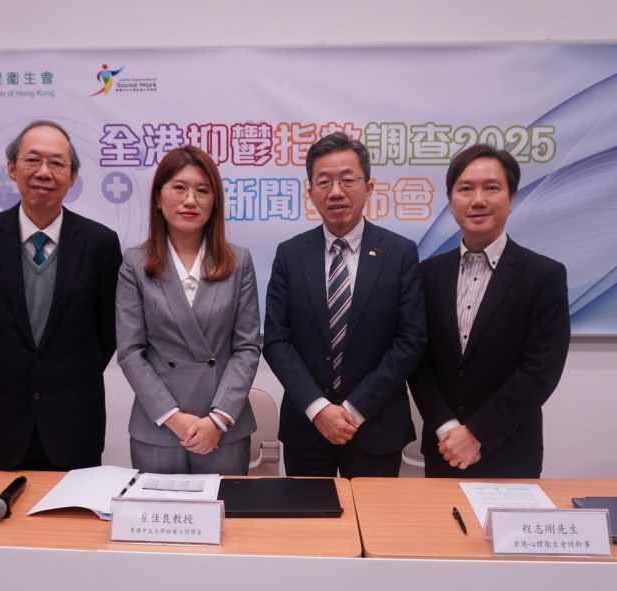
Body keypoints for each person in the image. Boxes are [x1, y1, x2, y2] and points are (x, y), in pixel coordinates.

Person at [0, 120, 122, 471]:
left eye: (57, 163)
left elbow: (109, 331)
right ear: (12, 169)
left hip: (74, 423)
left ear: (72, 177)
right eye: (33, 160)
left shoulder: (100, 244)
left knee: (69, 525)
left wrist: (64, 373)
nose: (44, 172)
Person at [263, 132, 427, 478]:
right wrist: (318, 408)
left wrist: (355, 408)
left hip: (376, 424)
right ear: (310, 192)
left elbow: (410, 340)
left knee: (374, 528)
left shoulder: (400, 252)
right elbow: (277, 341)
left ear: (369, 187)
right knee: (308, 528)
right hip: (307, 427)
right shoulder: (290, 254)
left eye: (347, 180)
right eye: (324, 182)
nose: (335, 191)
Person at [408, 144, 570, 478]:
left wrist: (477, 434)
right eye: (465, 189)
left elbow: (541, 370)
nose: (477, 200)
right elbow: (418, 361)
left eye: (491, 188)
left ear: (511, 199)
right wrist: (448, 428)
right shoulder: (427, 274)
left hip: (509, 449)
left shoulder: (543, 275)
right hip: (445, 448)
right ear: (451, 201)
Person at [116, 145, 261, 475]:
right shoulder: (134, 264)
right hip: (158, 426)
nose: (190, 200)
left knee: (226, 522)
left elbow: (247, 348)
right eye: (179, 188)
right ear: (158, 197)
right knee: (157, 522)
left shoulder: (239, 261)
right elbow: (130, 352)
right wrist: (174, 418)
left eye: (202, 190)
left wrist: (218, 419)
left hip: (224, 429)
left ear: (214, 201)